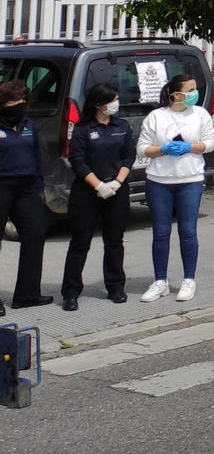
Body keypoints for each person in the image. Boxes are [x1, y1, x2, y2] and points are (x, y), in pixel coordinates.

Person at [136, 74, 214, 303]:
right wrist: (163, 149)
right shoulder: (156, 117)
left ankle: (188, 279)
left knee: (188, 231)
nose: (195, 93)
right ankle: (160, 281)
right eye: (190, 89)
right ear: (176, 94)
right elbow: (142, 149)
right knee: (161, 233)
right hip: (159, 181)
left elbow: (210, 143)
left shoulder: (200, 114)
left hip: (190, 179)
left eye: (195, 88)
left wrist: (189, 146)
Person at [60, 82, 134, 309]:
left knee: (114, 240)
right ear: (98, 104)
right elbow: (77, 161)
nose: (115, 104)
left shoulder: (122, 126)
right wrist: (99, 185)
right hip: (88, 190)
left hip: (116, 188)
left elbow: (129, 156)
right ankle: (71, 292)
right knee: (80, 242)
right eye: (111, 100)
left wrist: (117, 182)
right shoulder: (83, 129)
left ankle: (115, 287)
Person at [0, 79, 51, 313]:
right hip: (2, 186)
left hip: (27, 187)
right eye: (13, 100)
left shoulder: (28, 124)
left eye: (21, 100)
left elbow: (36, 157)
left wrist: (39, 187)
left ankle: (27, 295)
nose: (18, 104)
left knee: (35, 235)